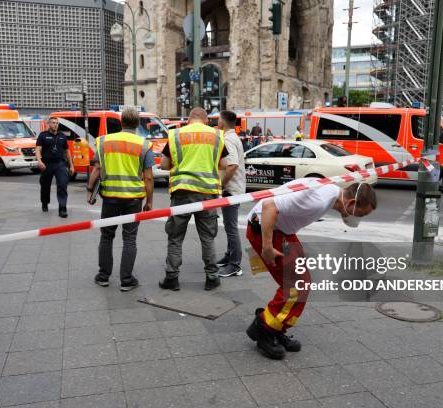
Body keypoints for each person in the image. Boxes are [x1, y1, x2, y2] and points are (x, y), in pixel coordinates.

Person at [245, 181, 377, 359]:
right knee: (296, 286)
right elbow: (269, 206)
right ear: (351, 203)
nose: (360, 217)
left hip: (281, 230)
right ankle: (264, 328)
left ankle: (276, 326)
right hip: (266, 229)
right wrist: (267, 247)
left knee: (300, 283)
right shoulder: (319, 200)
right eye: (362, 214)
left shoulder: (330, 193)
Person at [159, 107, 228, 291]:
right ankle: (212, 278)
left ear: (189, 120)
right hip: (207, 194)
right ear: (206, 120)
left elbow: (164, 165)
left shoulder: (176, 135)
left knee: (175, 237)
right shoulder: (216, 135)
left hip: (182, 192)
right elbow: (224, 165)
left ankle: (172, 278)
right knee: (207, 237)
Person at [86, 107, 155, 290]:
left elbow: (97, 169)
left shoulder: (104, 142)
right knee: (130, 238)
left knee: (106, 236)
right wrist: (149, 201)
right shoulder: (144, 145)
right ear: (138, 124)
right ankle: (126, 280)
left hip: (110, 198)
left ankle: (103, 276)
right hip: (133, 200)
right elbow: (148, 177)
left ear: (120, 122)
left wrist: (89, 189)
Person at [217, 111, 246, 277]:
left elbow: (233, 165)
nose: (218, 121)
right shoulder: (232, 137)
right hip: (234, 188)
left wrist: (221, 185)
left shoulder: (227, 138)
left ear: (223, 122)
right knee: (230, 227)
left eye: (219, 119)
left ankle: (235, 265)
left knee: (231, 228)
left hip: (231, 189)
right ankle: (229, 257)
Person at [35, 117, 75, 218]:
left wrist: (71, 165)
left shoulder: (62, 136)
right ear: (49, 124)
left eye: (57, 123)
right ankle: (45, 202)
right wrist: (39, 161)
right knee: (45, 186)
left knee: (62, 185)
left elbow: (67, 152)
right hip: (46, 164)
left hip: (60, 164)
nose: (55, 125)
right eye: (53, 123)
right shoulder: (43, 135)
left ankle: (62, 208)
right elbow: (38, 150)